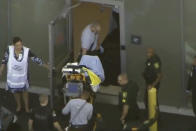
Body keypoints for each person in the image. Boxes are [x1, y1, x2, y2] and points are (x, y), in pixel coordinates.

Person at [0, 37, 49, 113]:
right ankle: (19, 105)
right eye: (17, 45)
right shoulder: (9, 50)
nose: (19, 47)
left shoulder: (27, 51)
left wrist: (47, 66)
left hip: (23, 78)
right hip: (13, 79)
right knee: (15, 93)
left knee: (25, 93)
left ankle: (26, 107)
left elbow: (36, 59)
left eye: (20, 45)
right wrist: (1, 70)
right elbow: (4, 61)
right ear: (13, 45)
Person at [143, 48, 162, 115]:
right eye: (147, 52)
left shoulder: (155, 62)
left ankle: (156, 115)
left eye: (149, 52)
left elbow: (159, 76)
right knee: (147, 99)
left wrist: (152, 85)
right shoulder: (149, 59)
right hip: (149, 82)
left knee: (152, 100)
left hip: (153, 83)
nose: (147, 54)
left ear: (153, 53)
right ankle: (152, 114)